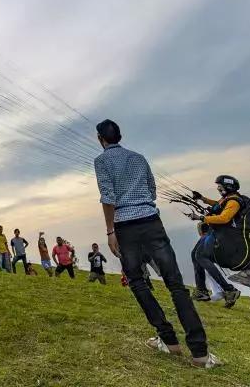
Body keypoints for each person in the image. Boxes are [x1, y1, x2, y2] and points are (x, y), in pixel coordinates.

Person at [95, 119, 219, 369]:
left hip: (125, 226)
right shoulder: (139, 158)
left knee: (138, 283)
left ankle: (168, 340)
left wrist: (110, 231)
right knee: (175, 284)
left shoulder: (101, 161)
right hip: (151, 221)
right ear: (120, 135)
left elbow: (107, 196)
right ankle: (200, 353)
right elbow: (152, 190)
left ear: (101, 139)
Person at [191, 222, 240, 307]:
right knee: (195, 254)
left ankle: (229, 290)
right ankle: (202, 291)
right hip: (216, 228)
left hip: (217, 229)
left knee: (200, 255)